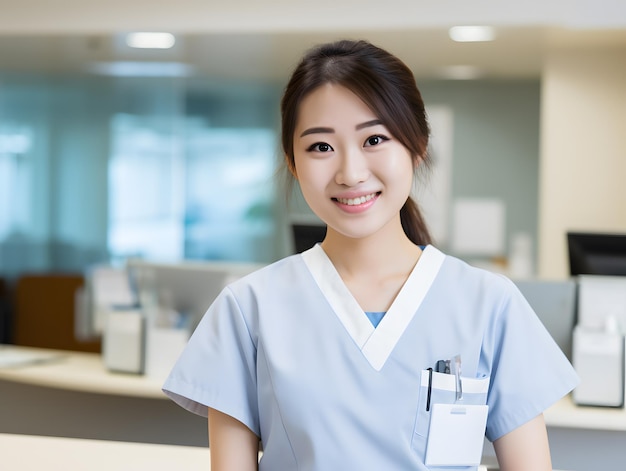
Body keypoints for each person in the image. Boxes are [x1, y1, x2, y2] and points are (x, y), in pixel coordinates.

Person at [163, 39, 578, 470]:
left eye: (375, 139)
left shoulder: (489, 305)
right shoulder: (248, 310)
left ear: (417, 147)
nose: (351, 172)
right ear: (292, 162)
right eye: (320, 147)